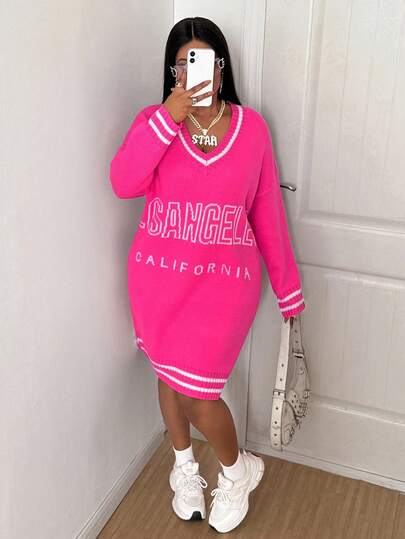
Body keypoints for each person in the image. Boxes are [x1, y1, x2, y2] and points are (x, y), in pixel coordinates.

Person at [109, 16, 306, 534]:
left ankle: (238, 473)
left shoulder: (251, 129)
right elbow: (124, 182)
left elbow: (267, 213)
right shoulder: (154, 123)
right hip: (158, 283)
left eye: (207, 61)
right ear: (172, 72)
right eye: (184, 63)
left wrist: (288, 290)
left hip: (223, 290)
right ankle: (184, 469)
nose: (198, 72)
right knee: (169, 377)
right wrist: (167, 118)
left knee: (199, 393)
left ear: (222, 67)